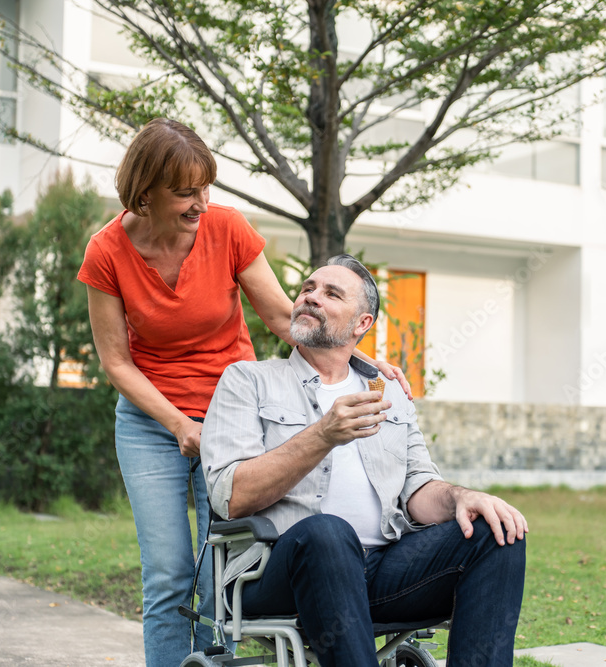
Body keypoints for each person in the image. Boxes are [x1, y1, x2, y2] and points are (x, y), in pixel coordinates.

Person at [77, 119, 409, 667]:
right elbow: (116, 361)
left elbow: (285, 316)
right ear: (144, 194)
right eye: (184, 192)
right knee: (168, 573)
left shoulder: (227, 229)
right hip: (150, 423)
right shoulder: (107, 251)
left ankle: (217, 662)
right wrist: (179, 425)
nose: (200, 202)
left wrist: (367, 360)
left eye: (205, 186)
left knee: (224, 571)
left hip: (236, 418)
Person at [201, 254, 527, 667]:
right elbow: (231, 497)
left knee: (498, 530)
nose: (311, 297)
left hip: (383, 569)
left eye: (331, 293)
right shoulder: (248, 380)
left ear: (362, 324)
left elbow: (418, 488)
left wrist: (462, 497)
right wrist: (323, 435)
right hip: (278, 571)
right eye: (307, 288)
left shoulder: (385, 390)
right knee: (327, 532)